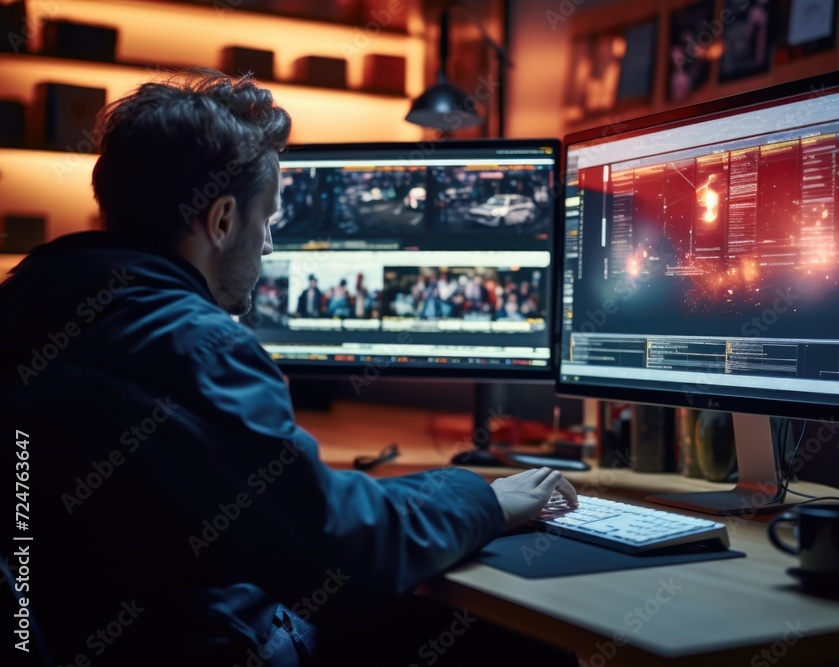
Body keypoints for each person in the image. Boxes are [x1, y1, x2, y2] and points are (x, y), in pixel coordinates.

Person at [0, 69, 578, 667]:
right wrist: (485, 500)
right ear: (222, 220)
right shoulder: (197, 348)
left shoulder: (31, 306)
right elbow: (342, 556)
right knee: (528, 648)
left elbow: (302, 513)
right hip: (203, 645)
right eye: (268, 217)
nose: (271, 245)